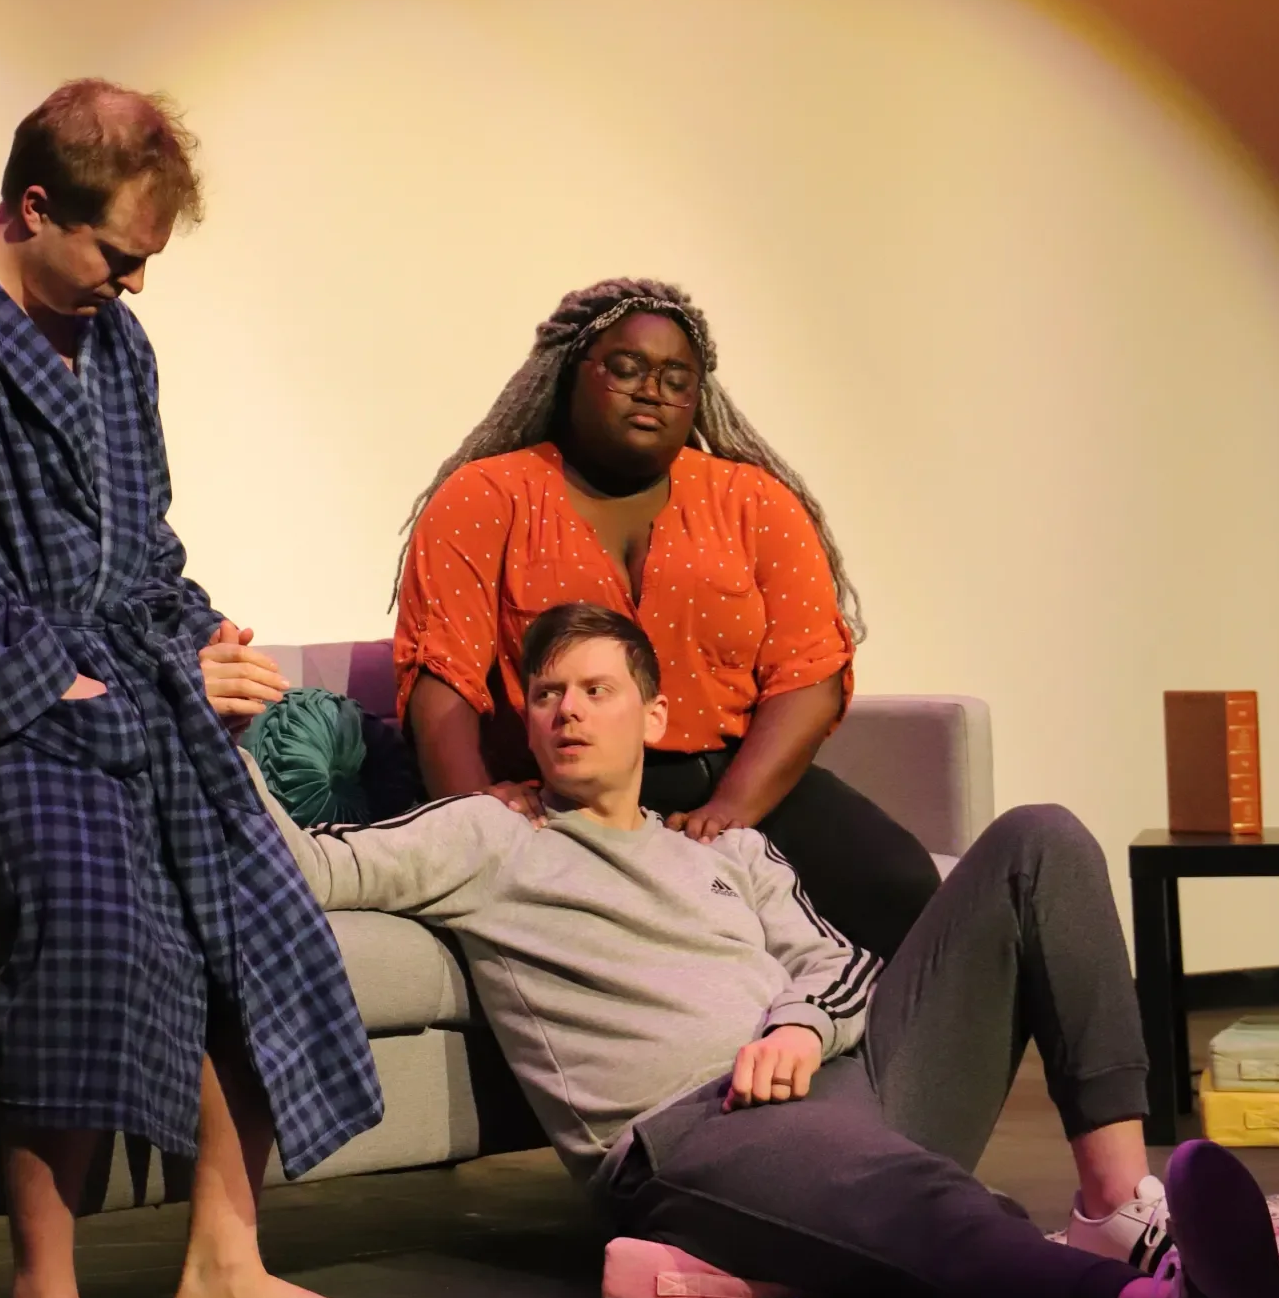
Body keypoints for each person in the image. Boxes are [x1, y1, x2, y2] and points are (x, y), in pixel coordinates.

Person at [260, 601, 1279, 1298]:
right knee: (921, 1210)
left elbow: (843, 973)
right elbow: (307, 868)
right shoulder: (486, 834)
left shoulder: (725, 846)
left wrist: (796, 1025)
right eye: (546, 695)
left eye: (595, 688)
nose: (566, 710)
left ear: (654, 714)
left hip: (842, 1079)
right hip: (694, 1129)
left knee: (1037, 837)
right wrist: (204, 733)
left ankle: (1112, 1212)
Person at [0, 78, 391, 1298]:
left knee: (255, 894)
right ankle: (44, 1294)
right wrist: (49, 678)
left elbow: (144, 548)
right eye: (119, 256)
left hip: (119, 678)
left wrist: (200, 645)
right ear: (31, 207)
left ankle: (225, 1262)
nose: (134, 286)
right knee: (92, 906)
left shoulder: (114, 345)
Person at [394, 277, 939, 962]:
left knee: (899, 885)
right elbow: (442, 674)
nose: (652, 391)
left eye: (677, 378)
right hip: (566, 787)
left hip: (730, 779)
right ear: (570, 374)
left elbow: (810, 674)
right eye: (626, 369)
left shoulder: (754, 501)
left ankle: (875, 1066)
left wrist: (731, 812)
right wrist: (473, 818)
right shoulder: (485, 496)